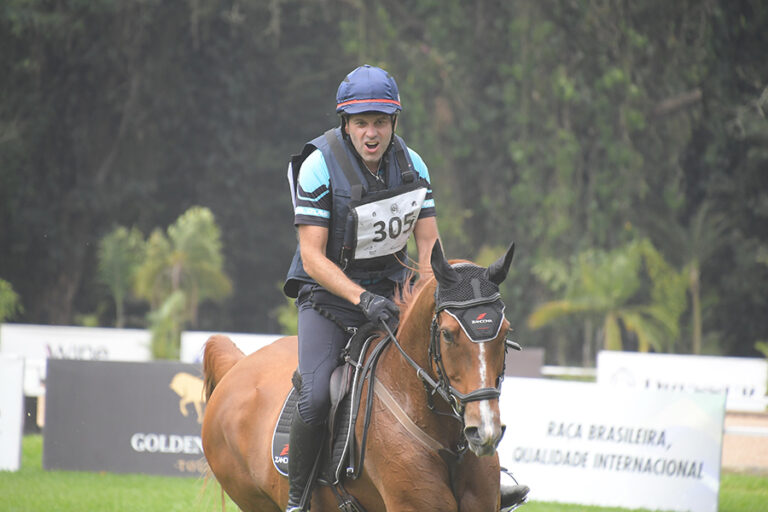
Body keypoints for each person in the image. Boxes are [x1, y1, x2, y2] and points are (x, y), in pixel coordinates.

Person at [282, 64, 439, 511]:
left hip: (393, 295)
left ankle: (480, 479)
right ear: (345, 124)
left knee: (447, 373)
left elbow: (428, 244)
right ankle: (297, 501)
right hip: (329, 300)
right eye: (361, 122)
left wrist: (425, 297)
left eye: (381, 122)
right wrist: (361, 298)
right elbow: (312, 258)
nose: (372, 133)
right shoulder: (318, 167)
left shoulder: (415, 165)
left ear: (394, 124)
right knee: (314, 398)